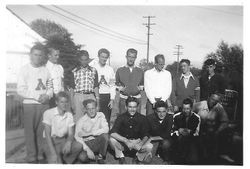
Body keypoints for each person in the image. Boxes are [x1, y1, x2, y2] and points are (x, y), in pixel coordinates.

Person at [17, 43, 53, 163]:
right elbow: (20, 89)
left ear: (42, 57)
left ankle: (40, 155)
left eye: (40, 55)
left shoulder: (45, 70)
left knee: (41, 132)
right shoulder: (24, 69)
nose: (37, 57)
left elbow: (50, 86)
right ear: (30, 55)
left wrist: (48, 95)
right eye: (35, 55)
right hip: (30, 105)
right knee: (30, 132)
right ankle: (32, 157)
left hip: (44, 105)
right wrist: (37, 96)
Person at [42, 91, 82, 164]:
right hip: (50, 142)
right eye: (62, 102)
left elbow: (70, 133)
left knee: (78, 146)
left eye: (66, 102)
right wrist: (53, 153)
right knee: (56, 162)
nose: (64, 104)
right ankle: (57, 158)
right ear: (56, 102)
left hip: (62, 140)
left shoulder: (69, 115)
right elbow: (47, 135)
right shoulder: (48, 113)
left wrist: (69, 142)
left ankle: (66, 160)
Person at [110, 96, 152, 164]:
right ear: (126, 107)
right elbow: (112, 132)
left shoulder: (142, 118)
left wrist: (141, 143)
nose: (132, 109)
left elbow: (146, 134)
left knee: (149, 146)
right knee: (112, 140)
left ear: (137, 107)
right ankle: (121, 157)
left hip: (137, 143)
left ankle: (138, 157)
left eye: (134, 107)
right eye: (130, 107)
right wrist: (125, 140)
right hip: (124, 144)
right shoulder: (121, 117)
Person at [193, 93, 229, 164]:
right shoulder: (200, 104)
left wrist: (218, 131)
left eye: (216, 101)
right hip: (198, 130)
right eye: (212, 99)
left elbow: (225, 121)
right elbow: (189, 114)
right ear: (208, 97)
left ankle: (210, 160)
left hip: (211, 132)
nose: (214, 102)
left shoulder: (219, 107)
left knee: (211, 152)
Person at [74, 99, 109, 164]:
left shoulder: (101, 115)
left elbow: (106, 129)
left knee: (105, 136)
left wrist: (89, 133)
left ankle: (100, 157)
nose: (91, 111)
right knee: (82, 157)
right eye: (88, 109)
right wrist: (87, 149)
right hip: (87, 143)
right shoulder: (81, 120)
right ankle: (90, 156)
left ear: (96, 108)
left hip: (97, 142)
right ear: (85, 110)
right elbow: (77, 137)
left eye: (93, 108)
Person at [70, 50, 100, 122]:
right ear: (79, 60)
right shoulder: (74, 71)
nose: (84, 62)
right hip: (78, 96)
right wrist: (72, 103)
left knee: (91, 120)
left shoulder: (93, 70)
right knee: (78, 120)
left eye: (86, 60)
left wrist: (98, 102)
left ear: (88, 59)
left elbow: (96, 87)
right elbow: (72, 88)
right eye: (82, 60)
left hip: (90, 96)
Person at [89, 48, 116, 125]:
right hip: (95, 96)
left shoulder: (110, 69)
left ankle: (105, 135)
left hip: (106, 96)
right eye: (102, 57)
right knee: (94, 118)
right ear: (98, 56)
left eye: (106, 57)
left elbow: (112, 85)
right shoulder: (92, 68)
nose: (104, 59)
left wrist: (112, 99)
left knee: (106, 119)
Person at [171, 98, 201, 164]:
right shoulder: (176, 116)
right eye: (184, 108)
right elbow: (172, 131)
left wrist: (189, 132)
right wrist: (178, 131)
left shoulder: (197, 117)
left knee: (193, 160)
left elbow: (197, 133)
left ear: (191, 108)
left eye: (187, 109)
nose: (185, 111)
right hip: (178, 140)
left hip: (191, 140)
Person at [115, 48, 144, 114]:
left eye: (133, 57)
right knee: (123, 120)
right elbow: (116, 84)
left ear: (136, 58)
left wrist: (138, 89)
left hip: (136, 98)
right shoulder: (120, 70)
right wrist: (121, 89)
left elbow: (142, 84)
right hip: (124, 99)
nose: (131, 59)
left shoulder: (140, 71)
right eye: (129, 56)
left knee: (136, 120)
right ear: (126, 57)